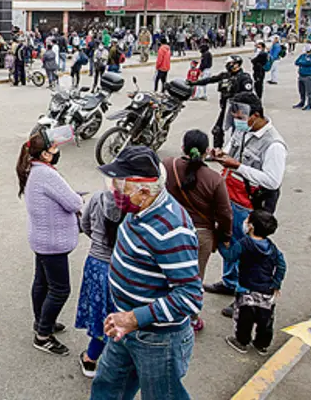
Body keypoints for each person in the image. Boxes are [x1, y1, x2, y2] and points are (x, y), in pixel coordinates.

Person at [89, 146, 202, 400]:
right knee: (107, 388)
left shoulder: (173, 231)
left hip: (159, 340)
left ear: (143, 191)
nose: (114, 191)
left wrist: (134, 318)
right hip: (125, 326)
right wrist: (125, 317)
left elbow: (190, 297)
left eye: (121, 185)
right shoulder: (138, 209)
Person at [204, 92, 286, 319]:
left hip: (250, 203)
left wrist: (238, 166)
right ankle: (229, 282)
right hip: (229, 194)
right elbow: (231, 150)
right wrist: (219, 154)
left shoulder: (274, 145)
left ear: (256, 115)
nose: (237, 120)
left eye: (240, 116)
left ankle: (243, 296)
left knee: (245, 250)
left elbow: (272, 180)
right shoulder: (242, 130)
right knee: (228, 240)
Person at [17, 128, 83, 355]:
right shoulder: (47, 174)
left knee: (42, 283)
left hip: (42, 239)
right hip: (53, 244)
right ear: (45, 154)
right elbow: (74, 203)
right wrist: (78, 197)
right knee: (61, 289)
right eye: (54, 148)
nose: (57, 151)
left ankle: (42, 321)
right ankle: (43, 335)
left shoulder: (34, 169)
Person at [163, 129, 232, 331]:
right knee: (194, 278)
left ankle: (163, 312)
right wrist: (224, 236)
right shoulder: (214, 179)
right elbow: (225, 213)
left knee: (165, 272)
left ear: (183, 147)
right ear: (205, 152)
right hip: (201, 236)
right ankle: (191, 318)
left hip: (169, 229)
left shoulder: (168, 165)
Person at [220, 210, 286, 355]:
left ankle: (241, 342)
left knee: (244, 318)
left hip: (246, 289)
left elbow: (230, 256)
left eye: (247, 220)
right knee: (266, 320)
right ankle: (261, 345)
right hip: (267, 290)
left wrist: (220, 243)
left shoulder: (244, 244)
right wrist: (276, 283)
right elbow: (281, 265)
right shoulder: (272, 247)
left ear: (251, 227)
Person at [75, 189, 122, 377]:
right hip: (123, 266)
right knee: (122, 314)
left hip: (96, 264)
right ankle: (118, 360)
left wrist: (98, 241)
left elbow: (84, 224)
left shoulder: (98, 198)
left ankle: (91, 359)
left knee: (100, 315)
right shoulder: (137, 203)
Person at [189, 55, 253, 148]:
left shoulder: (244, 78)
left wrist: (236, 99)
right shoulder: (225, 75)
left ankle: (237, 152)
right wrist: (194, 83)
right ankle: (217, 150)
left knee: (238, 133)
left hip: (238, 110)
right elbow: (210, 80)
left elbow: (248, 94)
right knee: (217, 130)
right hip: (226, 108)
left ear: (236, 64)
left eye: (230, 63)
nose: (228, 65)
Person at [293, 44, 311, 111]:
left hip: (308, 75)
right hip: (301, 75)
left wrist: (303, 62)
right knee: (301, 90)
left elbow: (309, 63)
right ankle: (302, 102)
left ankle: (309, 105)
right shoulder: (303, 55)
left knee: (309, 91)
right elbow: (296, 62)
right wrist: (303, 62)